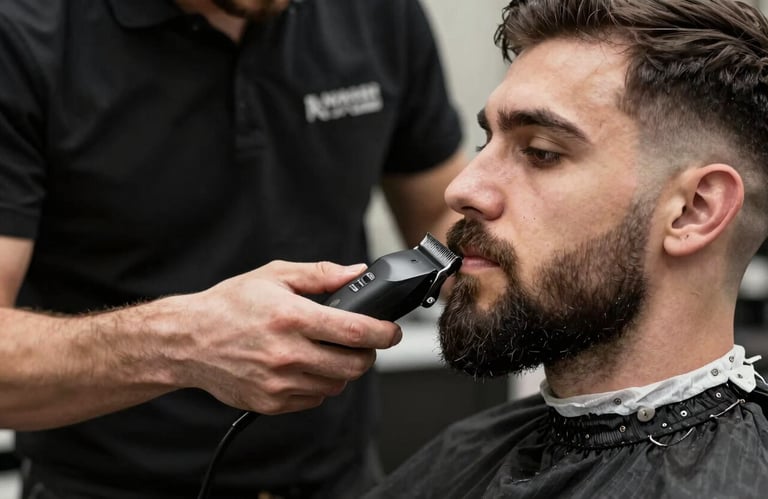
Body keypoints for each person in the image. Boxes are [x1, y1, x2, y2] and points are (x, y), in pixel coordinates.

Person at [0, 0, 465, 497]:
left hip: (336, 478)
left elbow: (441, 221)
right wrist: (180, 344)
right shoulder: (23, 34)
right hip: (108, 485)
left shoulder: (379, 15)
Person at [365, 0, 768, 497]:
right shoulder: (465, 452)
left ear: (693, 211)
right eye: (484, 142)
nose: (462, 189)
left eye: (540, 152)